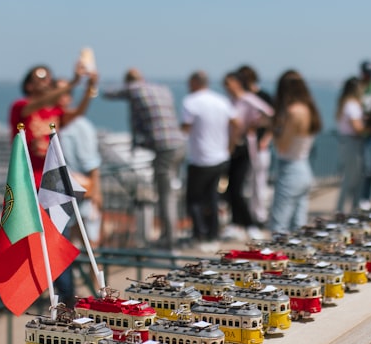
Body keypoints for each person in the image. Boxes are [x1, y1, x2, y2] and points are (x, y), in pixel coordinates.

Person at [104, 68, 187, 249]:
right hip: (179, 145)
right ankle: (170, 234)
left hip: (165, 148)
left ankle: (169, 238)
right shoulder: (162, 88)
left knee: (165, 194)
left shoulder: (134, 88)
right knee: (170, 190)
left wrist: (93, 84)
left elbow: (108, 93)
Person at [50, 79, 103, 302]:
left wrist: (97, 191)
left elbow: (92, 163)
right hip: (67, 191)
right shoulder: (64, 124)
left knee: (91, 245)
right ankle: (86, 292)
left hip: (80, 193)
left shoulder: (78, 126)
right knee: (77, 245)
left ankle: (99, 292)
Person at [10, 62, 98, 187]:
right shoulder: (20, 106)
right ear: (29, 85)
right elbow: (35, 104)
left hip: (51, 179)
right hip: (26, 177)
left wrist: (89, 88)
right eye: (41, 78)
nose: (46, 81)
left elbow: (77, 112)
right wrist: (74, 82)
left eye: (48, 78)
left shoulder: (54, 111)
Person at [181, 70, 237, 251]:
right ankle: (213, 234)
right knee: (213, 197)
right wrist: (230, 147)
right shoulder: (221, 101)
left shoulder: (191, 102)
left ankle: (200, 235)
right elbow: (236, 124)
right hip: (220, 157)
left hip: (200, 159)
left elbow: (185, 130)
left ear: (195, 82)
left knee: (194, 200)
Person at [221, 71, 274, 241]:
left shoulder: (249, 99)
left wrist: (255, 127)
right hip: (231, 147)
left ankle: (250, 223)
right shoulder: (230, 101)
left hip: (244, 147)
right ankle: (236, 223)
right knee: (232, 188)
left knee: (240, 187)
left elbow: (269, 115)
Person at [269, 70, 322, 233]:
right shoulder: (309, 109)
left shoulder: (293, 112)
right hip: (304, 167)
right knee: (298, 225)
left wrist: (273, 127)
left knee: (279, 225)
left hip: (290, 169)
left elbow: (282, 145)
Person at [236, 64, 274, 230]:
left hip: (260, 146)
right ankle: (251, 215)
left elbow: (273, 119)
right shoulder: (244, 97)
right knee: (249, 182)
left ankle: (259, 215)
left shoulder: (262, 96)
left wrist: (266, 138)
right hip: (247, 147)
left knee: (258, 182)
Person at [334, 76, 366, 214]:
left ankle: (347, 208)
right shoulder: (352, 105)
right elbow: (357, 127)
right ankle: (343, 209)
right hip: (352, 142)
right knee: (352, 178)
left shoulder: (345, 104)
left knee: (353, 177)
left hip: (348, 142)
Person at [358, 60, 371, 207]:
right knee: (365, 167)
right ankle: (362, 197)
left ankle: (368, 196)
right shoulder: (358, 88)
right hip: (361, 134)